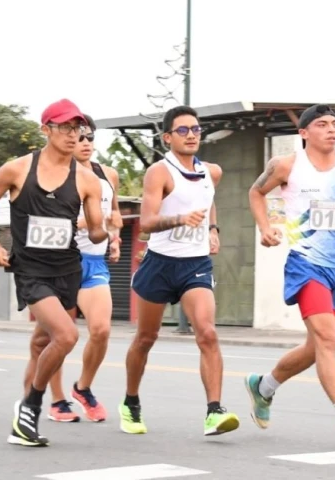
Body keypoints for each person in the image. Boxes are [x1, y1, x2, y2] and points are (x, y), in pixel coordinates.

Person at [0, 99, 120, 447]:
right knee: (67, 336)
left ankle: (25, 403)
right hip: (30, 270)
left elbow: (95, 232)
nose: (73, 135)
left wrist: (109, 230)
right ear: (46, 130)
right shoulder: (17, 170)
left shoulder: (87, 180)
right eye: (66, 128)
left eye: (78, 129)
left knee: (43, 341)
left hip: (68, 269)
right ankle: (31, 408)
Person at [244, 104, 335, 442]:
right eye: (322, 124)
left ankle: (263, 386)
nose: (331, 129)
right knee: (328, 339)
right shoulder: (285, 166)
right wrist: (265, 227)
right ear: (304, 132)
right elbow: (256, 192)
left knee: (317, 346)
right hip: (305, 263)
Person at [120, 105, 239, 437]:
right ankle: (130, 402)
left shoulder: (211, 171)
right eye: (183, 130)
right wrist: (179, 219)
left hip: (195, 265)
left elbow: (208, 198)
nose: (191, 135)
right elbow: (146, 222)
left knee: (207, 332)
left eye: (196, 129)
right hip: (159, 264)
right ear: (168, 137)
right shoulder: (160, 172)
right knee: (145, 338)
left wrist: (213, 228)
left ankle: (214, 411)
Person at [46, 113, 123, 423]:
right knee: (59, 337)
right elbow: (52, 222)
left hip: (93, 262)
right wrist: (94, 223)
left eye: (90, 137)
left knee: (101, 330)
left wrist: (114, 238)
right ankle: (56, 400)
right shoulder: (54, 177)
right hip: (62, 261)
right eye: (79, 137)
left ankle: (83, 388)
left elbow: (113, 213)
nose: (86, 142)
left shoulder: (109, 175)